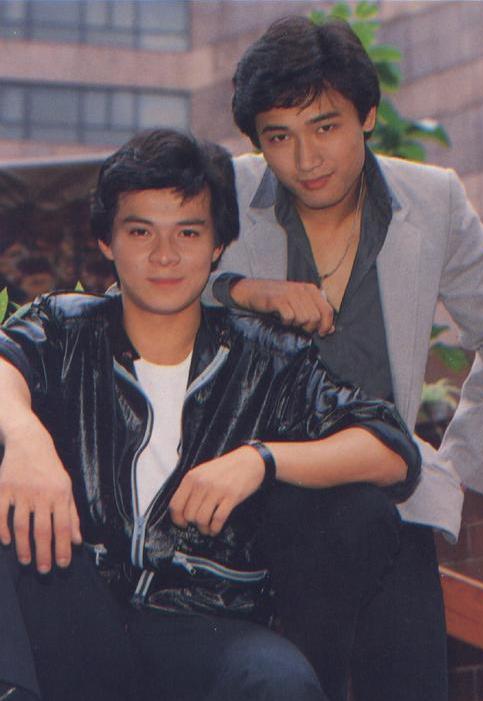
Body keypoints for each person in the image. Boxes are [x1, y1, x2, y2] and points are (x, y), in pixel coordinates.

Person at [0, 129, 420, 701]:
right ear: (106, 242)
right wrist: (26, 440)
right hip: (75, 605)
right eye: (140, 231)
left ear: (219, 245)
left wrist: (259, 460)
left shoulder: (265, 358)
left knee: (281, 684)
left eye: (188, 232)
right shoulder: (67, 330)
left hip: (204, 616)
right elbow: (7, 358)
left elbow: (390, 447)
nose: (165, 255)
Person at [203, 15, 483, 701]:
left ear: (367, 116)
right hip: (252, 510)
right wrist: (241, 290)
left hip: (383, 500)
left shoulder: (433, 200)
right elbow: (138, 295)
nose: (306, 159)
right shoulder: (224, 195)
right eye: (279, 137)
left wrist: (456, 468)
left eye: (325, 126)